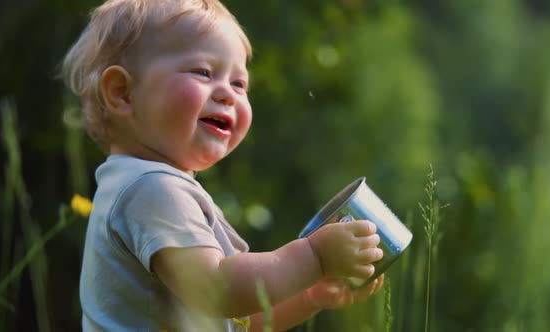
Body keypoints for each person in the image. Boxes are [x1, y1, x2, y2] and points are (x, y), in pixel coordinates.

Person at [61, 0, 385, 331]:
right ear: (122, 93)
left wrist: (309, 295)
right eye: (203, 72)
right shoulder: (151, 188)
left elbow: (237, 317)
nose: (229, 95)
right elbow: (217, 291)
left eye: (239, 84)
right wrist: (314, 257)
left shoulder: (149, 186)